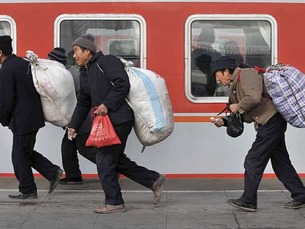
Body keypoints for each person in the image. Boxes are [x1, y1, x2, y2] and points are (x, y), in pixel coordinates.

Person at [68, 33, 165, 214]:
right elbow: (83, 102)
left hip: (119, 119)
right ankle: (152, 179)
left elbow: (123, 84)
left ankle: (114, 202)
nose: (74, 56)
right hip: (106, 121)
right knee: (114, 159)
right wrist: (73, 125)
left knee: (104, 160)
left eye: (76, 51)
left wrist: (107, 104)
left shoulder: (107, 62)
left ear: (87, 51)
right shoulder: (86, 72)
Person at [210, 56, 305, 212]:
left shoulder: (245, 74)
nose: (218, 80)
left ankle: (248, 200)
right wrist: (225, 121)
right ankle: (300, 195)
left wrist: (238, 106)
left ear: (226, 71)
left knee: (253, 160)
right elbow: (245, 116)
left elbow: (253, 99)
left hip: (272, 120)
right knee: (281, 162)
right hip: (267, 122)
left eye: (217, 75)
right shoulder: (234, 87)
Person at [0, 35, 63, 199]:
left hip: (22, 119)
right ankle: (52, 171)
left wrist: (3, 119)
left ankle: (28, 189)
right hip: (33, 117)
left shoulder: (7, 69)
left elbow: (7, 100)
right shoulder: (23, 63)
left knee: (19, 155)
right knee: (25, 152)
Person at [48, 47, 96, 185]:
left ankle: (113, 166)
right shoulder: (70, 71)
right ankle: (73, 175)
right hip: (77, 117)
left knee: (85, 148)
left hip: (81, 118)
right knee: (67, 146)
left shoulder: (66, 76)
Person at [191, 26, 221, 96]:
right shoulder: (216, 54)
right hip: (211, 84)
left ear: (200, 38)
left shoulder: (194, 53)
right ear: (213, 39)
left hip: (196, 83)